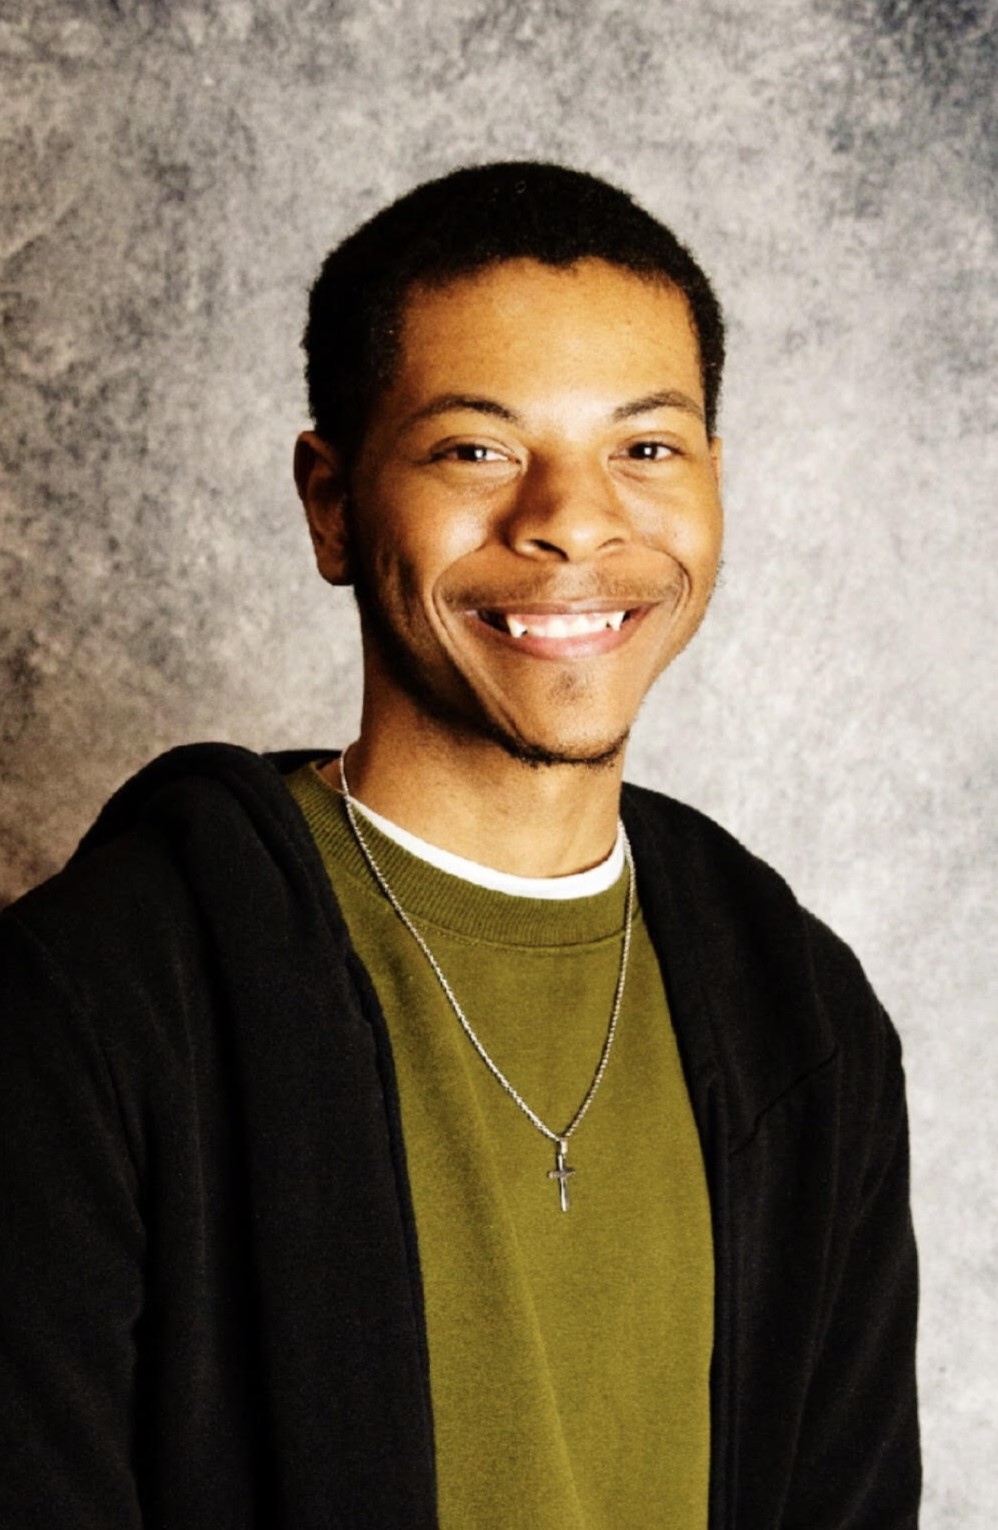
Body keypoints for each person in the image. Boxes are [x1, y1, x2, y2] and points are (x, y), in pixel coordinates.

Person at [0, 162, 919, 1528]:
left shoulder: (803, 1019)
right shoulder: (99, 999)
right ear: (330, 500)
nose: (570, 517)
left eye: (645, 447)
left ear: (713, 485)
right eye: (475, 447)